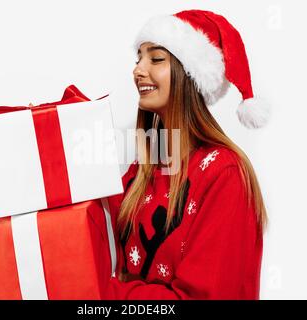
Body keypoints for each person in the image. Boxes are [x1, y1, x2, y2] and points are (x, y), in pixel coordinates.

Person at [103, 9, 270, 300]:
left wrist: (103, 294)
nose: (138, 70)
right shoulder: (142, 173)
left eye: (156, 59)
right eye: (138, 58)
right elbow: (92, 234)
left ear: (188, 74)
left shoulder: (226, 174)